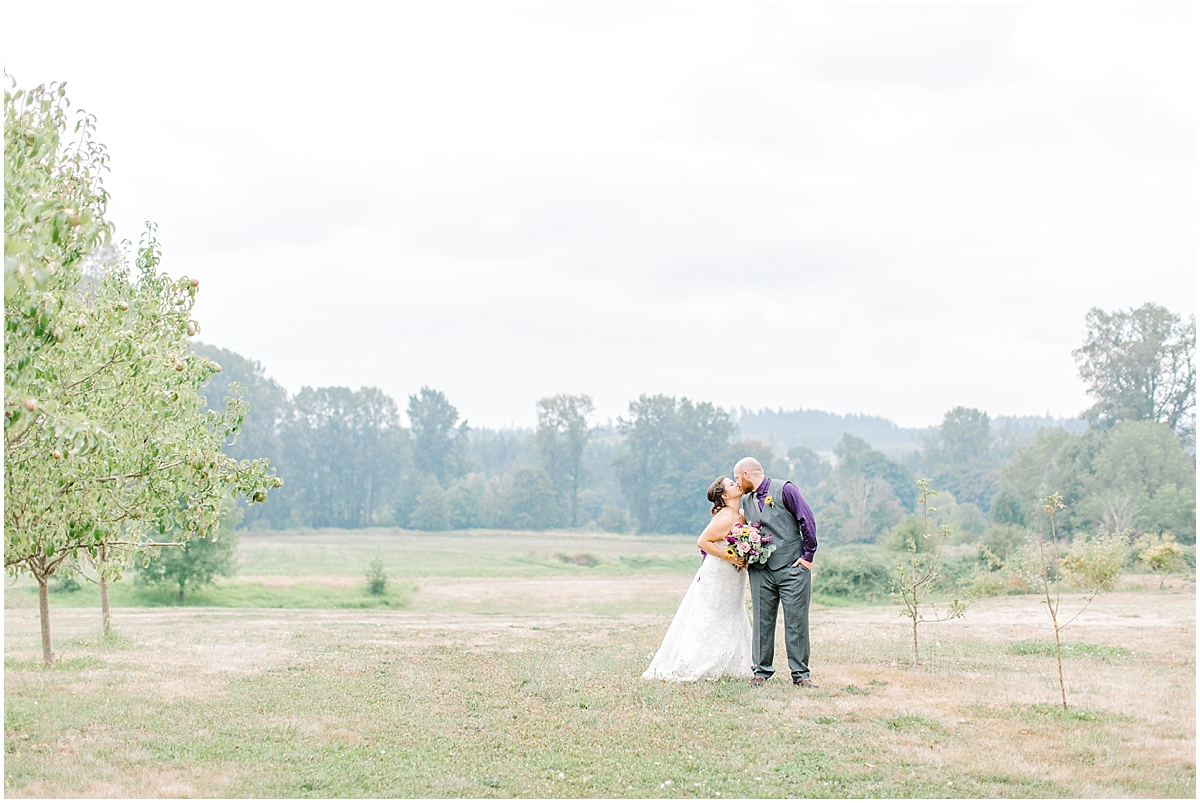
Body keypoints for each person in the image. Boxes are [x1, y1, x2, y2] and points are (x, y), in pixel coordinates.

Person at [642, 477, 753, 682]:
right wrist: (731, 557)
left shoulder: (741, 515)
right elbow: (702, 542)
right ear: (725, 496)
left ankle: (735, 661)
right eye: (731, 484)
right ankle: (699, 661)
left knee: (732, 613)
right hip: (719, 572)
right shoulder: (725, 516)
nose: (736, 484)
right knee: (712, 614)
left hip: (735, 575)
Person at [734, 456, 819, 688]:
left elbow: (807, 519)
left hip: (792, 567)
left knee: (796, 621)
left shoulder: (785, 489)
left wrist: (808, 556)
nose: (737, 483)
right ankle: (761, 672)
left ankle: (800, 675)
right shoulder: (747, 500)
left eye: (737, 478)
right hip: (761, 571)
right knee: (762, 620)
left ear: (746, 474)